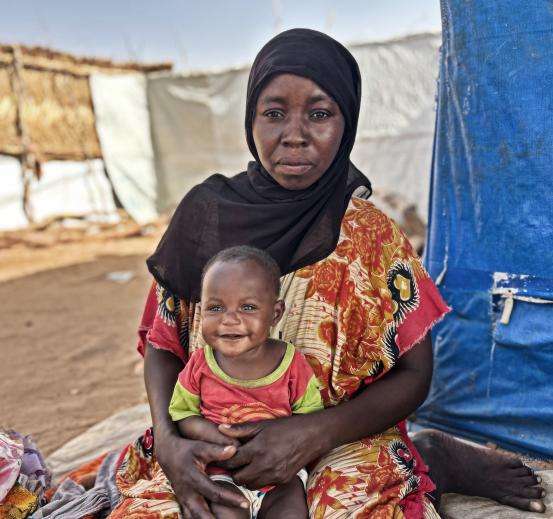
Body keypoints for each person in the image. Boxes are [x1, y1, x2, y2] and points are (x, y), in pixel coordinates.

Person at [108, 28, 546, 519]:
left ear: (347, 122)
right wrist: (169, 445)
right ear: (251, 118)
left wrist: (311, 432)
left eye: (319, 113)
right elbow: (165, 346)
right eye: (274, 112)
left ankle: (424, 457)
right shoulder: (205, 216)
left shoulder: (369, 235)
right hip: (208, 437)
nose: (294, 134)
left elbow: (415, 373)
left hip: (338, 434)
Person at [168, 246, 324, 518]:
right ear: (200, 311)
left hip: (280, 477)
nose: (229, 320)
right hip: (221, 476)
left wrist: (274, 440)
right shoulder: (200, 365)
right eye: (215, 307)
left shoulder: (292, 364)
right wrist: (215, 437)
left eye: (248, 307)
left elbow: (309, 418)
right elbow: (182, 413)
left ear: (275, 314)